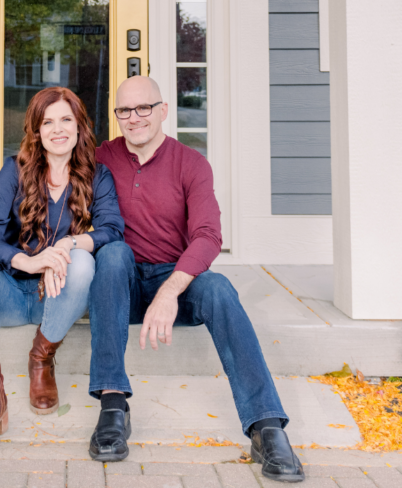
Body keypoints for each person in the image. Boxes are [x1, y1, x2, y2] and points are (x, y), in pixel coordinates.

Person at [86, 77, 305, 482]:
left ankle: (266, 426)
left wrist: (170, 291)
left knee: (220, 289)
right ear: (115, 115)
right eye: (124, 111)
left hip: (177, 280)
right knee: (112, 254)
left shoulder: (191, 163)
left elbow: (208, 235)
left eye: (144, 108)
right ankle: (113, 405)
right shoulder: (101, 158)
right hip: (121, 284)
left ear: (164, 110)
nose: (134, 118)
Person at [0, 87, 124, 455]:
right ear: (36, 130)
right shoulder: (14, 169)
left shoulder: (98, 176)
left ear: (79, 127)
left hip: (60, 298)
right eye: (48, 122)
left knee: (84, 258)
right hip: (14, 295)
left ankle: (42, 358)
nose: (58, 129)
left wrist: (65, 245)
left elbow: (112, 229)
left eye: (66, 119)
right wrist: (30, 261)